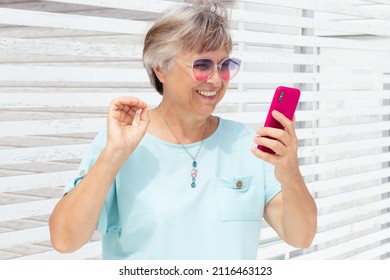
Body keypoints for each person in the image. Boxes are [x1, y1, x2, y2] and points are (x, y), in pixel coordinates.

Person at [49, 0, 317, 260]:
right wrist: (113, 156)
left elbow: (301, 237)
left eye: (224, 66)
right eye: (202, 65)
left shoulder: (248, 145)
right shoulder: (121, 141)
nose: (215, 79)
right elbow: (65, 240)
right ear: (160, 69)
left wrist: (290, 172)